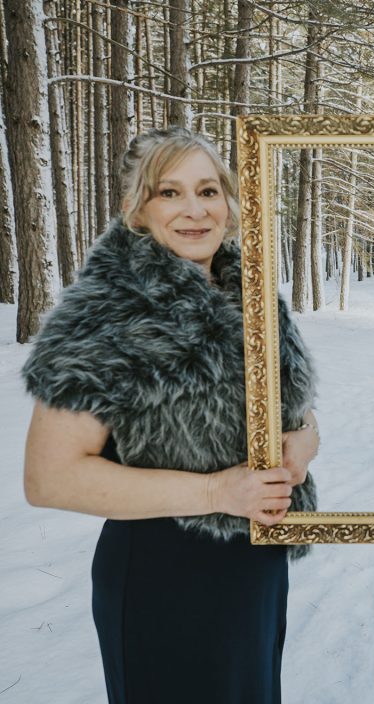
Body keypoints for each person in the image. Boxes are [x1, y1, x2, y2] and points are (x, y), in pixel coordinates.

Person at [21, 126, 319, 704]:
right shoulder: (104, 314)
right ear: (137, 208)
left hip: (253, 568)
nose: (194, 210)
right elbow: (48, 478)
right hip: (165, 577)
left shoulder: (252, 297)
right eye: (169, 192)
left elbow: (295, 411)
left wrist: (302, 440)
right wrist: (216, 493)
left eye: (208, 191)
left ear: (230, 204)